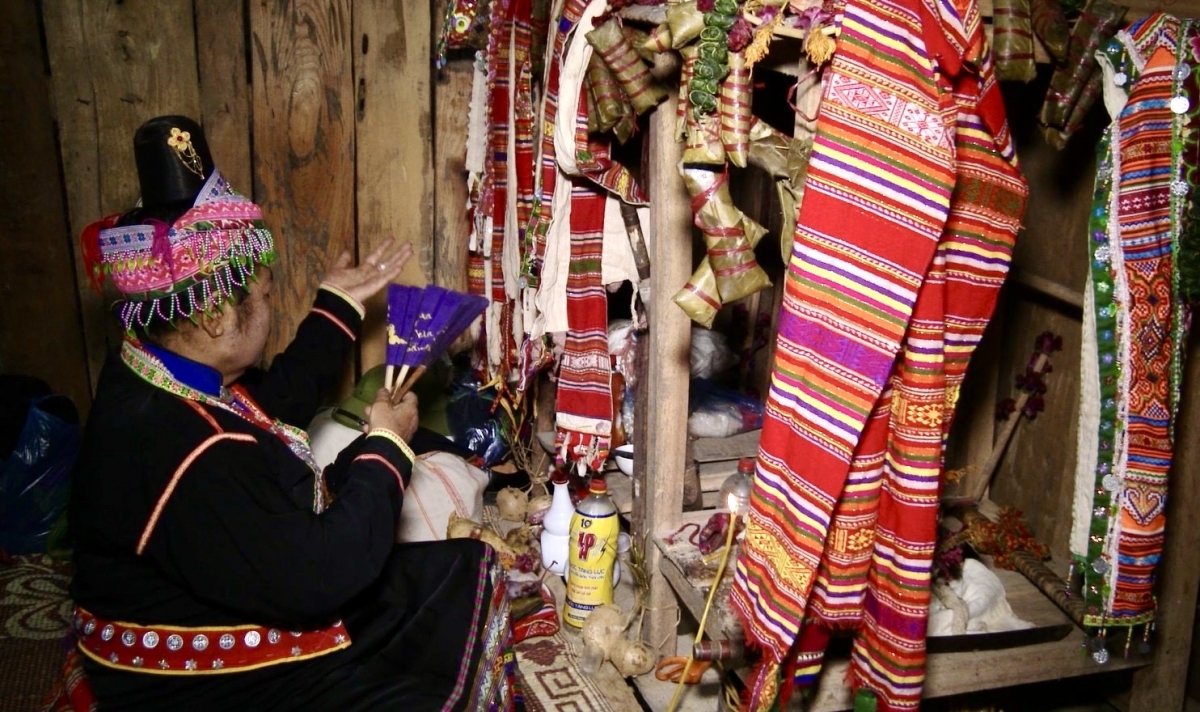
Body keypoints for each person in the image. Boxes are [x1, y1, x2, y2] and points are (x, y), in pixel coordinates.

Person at [67, 116, 519, 711]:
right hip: (194, 677)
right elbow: (321, 576)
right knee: (415, 662)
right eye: (262, 294)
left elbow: (264, 406)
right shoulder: (194, 453)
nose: (271, 299)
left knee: (451, 573)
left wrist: (337, 305)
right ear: (213, 318)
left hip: (228, 576)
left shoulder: (151, 369)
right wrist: (388, 446)